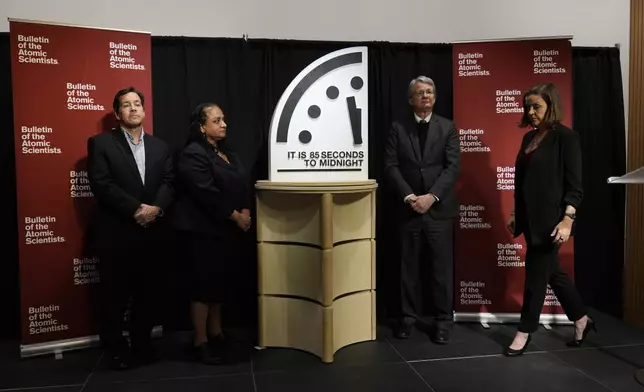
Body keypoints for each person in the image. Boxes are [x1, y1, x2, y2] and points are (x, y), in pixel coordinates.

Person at [87, 87, 174, 370]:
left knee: (148, 294)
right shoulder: (100, 143)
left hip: (152, 234)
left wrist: (156, 208)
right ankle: (115, 348)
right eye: (126, 105)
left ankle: (142, 343)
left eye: (137, 104)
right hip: (117, 232)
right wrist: (136, 210)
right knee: (114, 296)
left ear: (144, 110)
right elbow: (102, 184)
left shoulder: (160, 146)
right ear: (117, 113)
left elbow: (170, 182)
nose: (133, 108)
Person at [505, 82, 596, 356]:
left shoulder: (566, 138)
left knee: (535, 274)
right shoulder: (528, 139)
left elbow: (575, 185)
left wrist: (568, 219)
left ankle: (525, 330)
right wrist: (514, 213)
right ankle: (581, 319)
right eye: (528, 106)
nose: (531, 111)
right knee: (553, 273)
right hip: (530, 220)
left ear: (551, 106)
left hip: (553, 222)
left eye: (537, 106)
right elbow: (522, 182)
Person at [173, 103, 251, 365]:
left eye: (224, 119)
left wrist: (246, 209)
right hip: (202, 231)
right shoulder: (193, 154)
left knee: (220, 285)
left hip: (226, 231)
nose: (224, 124)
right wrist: (236, 216)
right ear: (202, 127)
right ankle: (200, 341)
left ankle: (216, 333)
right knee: (203, 287)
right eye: (217, 120)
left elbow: (242, 182)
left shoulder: (227, 152)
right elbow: (205, 193)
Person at [384, 76, 460, 343]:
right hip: (408, 210)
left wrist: (432, 197)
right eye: (420, 93)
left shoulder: (448, 127)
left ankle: (442, 322)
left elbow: (452, 168)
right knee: (408, 270)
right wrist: (409, 197)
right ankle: (407, 319)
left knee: (440, 270)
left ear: (435, 97)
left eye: (429, 92)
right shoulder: (397, 128)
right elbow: (391, 166)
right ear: (410, 100)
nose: (425, 96)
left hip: (438, 211)